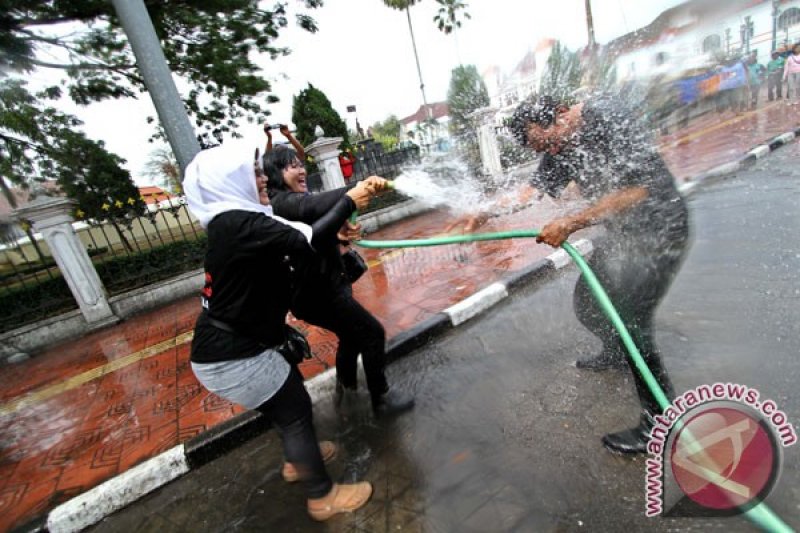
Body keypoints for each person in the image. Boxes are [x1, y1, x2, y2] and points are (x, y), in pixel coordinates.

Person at [183, 141, 377, 520]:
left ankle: (296, 459)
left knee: (286, 402)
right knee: (294, 410)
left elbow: (298, 234)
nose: (262, 179)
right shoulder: (237, 222)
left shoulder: (238, 219)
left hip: (235, 347)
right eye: (253, 173)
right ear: (230, 180)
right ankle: (322, 497)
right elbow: (301, 240)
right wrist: (350, 200)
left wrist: (335, 232)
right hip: (231, 355)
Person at [506, 94, 691, 454]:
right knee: (589, 301)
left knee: (631, 319)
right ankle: (616, 352)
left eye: (548, 142)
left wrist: (573, 221)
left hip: (662, 230)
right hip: (623, 235)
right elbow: (531, 190)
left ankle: (660, 423)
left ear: (560, 116)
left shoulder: (608, 115)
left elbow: (639, 187)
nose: (552, 152)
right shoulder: (563, 146)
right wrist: (482, 213)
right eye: (542, 148)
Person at [263, 146, 415, 418]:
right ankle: (381, 400)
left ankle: (346, 389)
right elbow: (313, 207)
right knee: (371, 333)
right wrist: (358, 189)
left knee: (350, 335)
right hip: (319, 293)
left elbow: (313, 235)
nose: (301, 170)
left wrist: (339, 236)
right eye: (291, 166)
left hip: (324, 286)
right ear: (275, 173)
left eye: (301, 164)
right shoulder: (281, 202)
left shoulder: (295, 198)